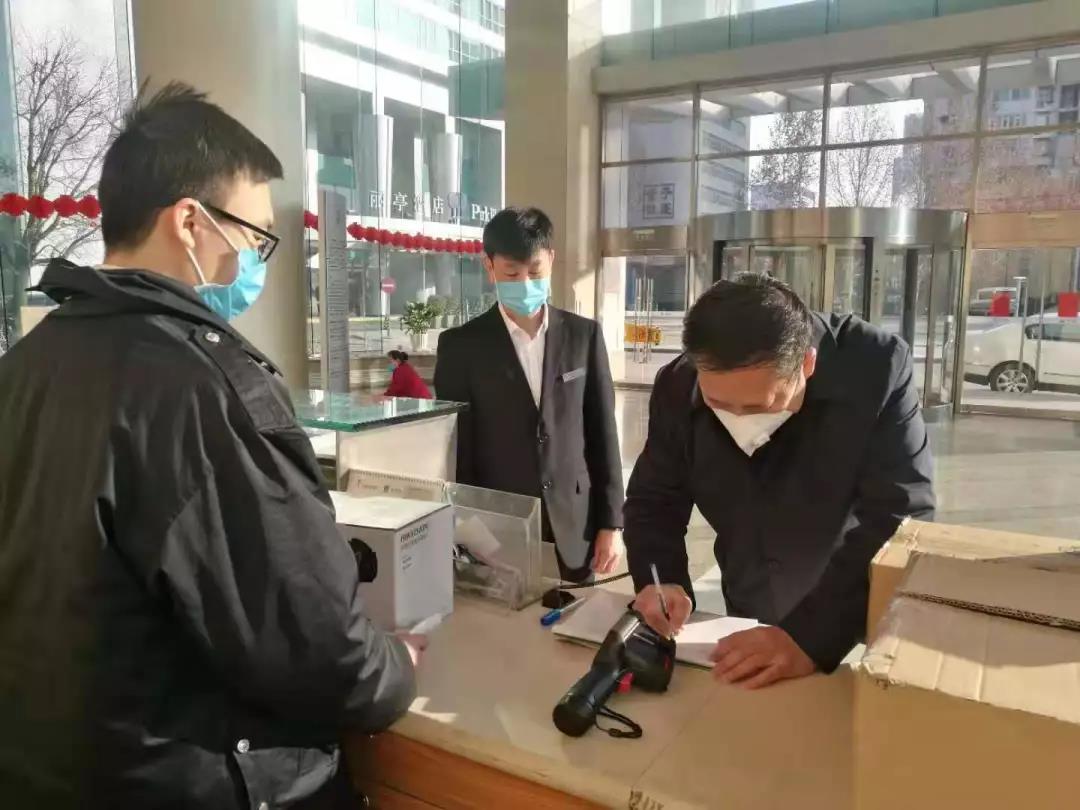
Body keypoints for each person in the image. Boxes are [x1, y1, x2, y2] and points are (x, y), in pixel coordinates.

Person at [0, 83, 424, 809]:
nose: (258, 260)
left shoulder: (24, 368)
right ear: (191, 222)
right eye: (256, 237)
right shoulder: (203, 386)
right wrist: (397, 669)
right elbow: (309, 638)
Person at [625, 274, 934, 689]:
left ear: (806, 364)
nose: (738, 419)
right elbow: (654, 500)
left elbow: (901, 516)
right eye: (717, 403)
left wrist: (810, 639)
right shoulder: (678, 384)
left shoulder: (876, 367)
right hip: (747, 594)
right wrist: (661, 580)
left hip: (847, 606)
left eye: (760, 405)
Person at [435, 207, 624, 582]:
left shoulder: (583, 336)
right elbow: (458, 449)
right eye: (512, 274)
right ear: (489, 267)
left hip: (576, 525)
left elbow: (603, 434)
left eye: (535, 272)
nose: (525, 283)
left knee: (576, 615)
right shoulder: (461, 346)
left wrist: (612, 523)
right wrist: (469, 530)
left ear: (551, 259)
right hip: (500, 530)